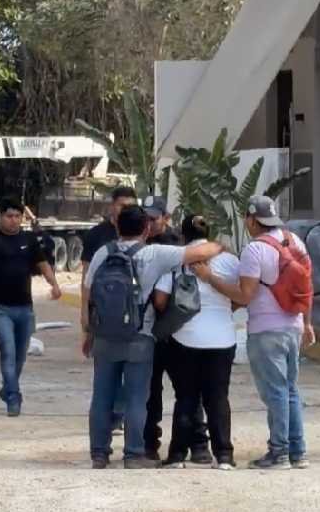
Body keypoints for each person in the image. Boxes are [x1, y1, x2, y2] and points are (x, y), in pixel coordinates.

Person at [82, 206, 224, 469]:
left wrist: (88, 329)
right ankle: (134, 454)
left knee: (102, 395)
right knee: (137, 397)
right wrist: (219, 245)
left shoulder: (103, 252)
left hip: (104, 334)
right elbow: (201, 251)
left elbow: (88, 290)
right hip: (140, 335)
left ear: (116, 227)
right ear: (146, 229)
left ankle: (99, 453)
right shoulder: (154, 253)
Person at [200, 196, 315, 469]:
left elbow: (245, 295)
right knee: (289, 391)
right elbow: (308, 285)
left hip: (266, 330)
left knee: (275, 393)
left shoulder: (255, 250)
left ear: (252, 219)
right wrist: (307, 323)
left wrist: (210, 278)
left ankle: (279, 453)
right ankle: (298, 452)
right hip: (293, 326)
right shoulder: (294, 240)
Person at [156, 215, 242, 469]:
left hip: (186, 338)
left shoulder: (177, 260)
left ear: (183, 235)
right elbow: (242, 295)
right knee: (218, 398)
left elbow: (160, 300)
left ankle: (177, 456)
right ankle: (224, 456)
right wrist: (223, 310)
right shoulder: (230, 260)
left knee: (186, 398)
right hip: (223, 338)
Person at [0, 199, 62, 416]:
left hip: (25, 308)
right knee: (7, 350)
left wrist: (54, 284)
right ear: (1, 217)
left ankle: (7, 387)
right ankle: (13, 397)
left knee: (20, 355)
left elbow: (43, 264)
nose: (13, 220)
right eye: (9, 216)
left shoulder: (29, 240)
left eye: (17, 216)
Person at [81, 186, 137, 435]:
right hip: (102, 314)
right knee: (106, 370)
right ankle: (111, 417)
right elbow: (86, 277)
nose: (124, 209)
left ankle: (119, 413)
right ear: (111, 205)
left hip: (132, 316)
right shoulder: (96, 236)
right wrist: (84, 312)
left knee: (132, 370)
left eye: (129, 205)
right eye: (121, 204)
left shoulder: (139, 233)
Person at [141, 194, 185, 460]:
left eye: (154, 219)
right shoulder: (143, 242)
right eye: (145, 218)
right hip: (153, 331)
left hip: (172, 329)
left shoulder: (176, 246)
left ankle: (193, 444)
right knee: (152, 391)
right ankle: (150, 444)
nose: (149, 223)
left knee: (185, 390)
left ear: (166, 219)